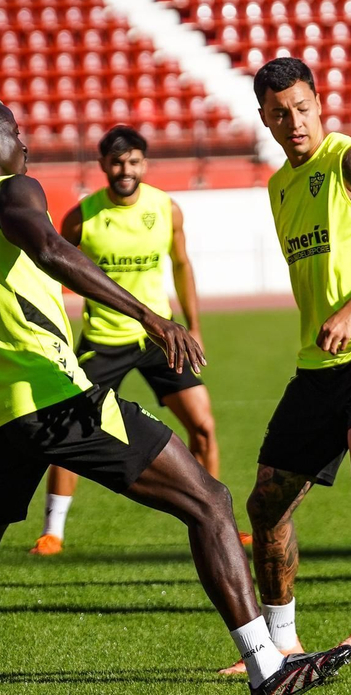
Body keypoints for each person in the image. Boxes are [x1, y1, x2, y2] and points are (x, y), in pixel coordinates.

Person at [0, 97, 351, 695]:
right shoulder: (9, 190)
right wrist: (151, 315)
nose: (26, 145)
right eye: (17, 134)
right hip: (57, 399)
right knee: (211, 502)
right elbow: (53, 252)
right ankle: (266, 667)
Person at [218, 57, 351, 675]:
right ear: (264, 117)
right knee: (266, 505)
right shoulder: (279, 186)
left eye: (303, 108)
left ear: (320, 103)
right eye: (280, 113)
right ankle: (282, 643)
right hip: (318, 363)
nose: (295, 122)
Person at [26, 125, 232, 555]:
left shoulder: (167, 209)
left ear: (144, 163)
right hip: (102, 341)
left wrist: (193, 326)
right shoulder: (83, 217)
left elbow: (181, 265)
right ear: (103, 164)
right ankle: (53, 532)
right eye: (117, 161)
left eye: (134, 161)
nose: (126, 169)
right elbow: (55, 274)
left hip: (160, 339)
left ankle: (220, 521)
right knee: (69, 434)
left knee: (204, 425)